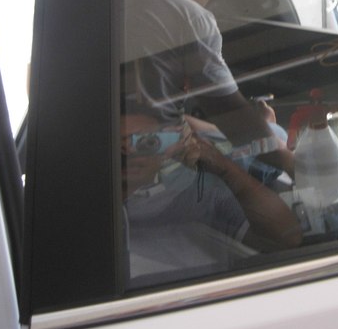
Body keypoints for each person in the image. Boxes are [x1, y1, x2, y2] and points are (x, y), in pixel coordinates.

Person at [124, 0, 293, 175]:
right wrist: (291, 163)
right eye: (200, 2)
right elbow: (231, 116)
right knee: (275, 142)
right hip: (151, 165)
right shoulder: (188, 14)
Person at [121, 101, 301, 282]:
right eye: (119, 143)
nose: (129, 151)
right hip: (235, 148)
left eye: (145, 141)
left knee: (251, 149)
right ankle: (266, 126)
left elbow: (288, 237)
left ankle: (267, 126)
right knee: (244, 145)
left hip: (241, 157)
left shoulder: (197, 192)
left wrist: (222, 166)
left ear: (164, 149)